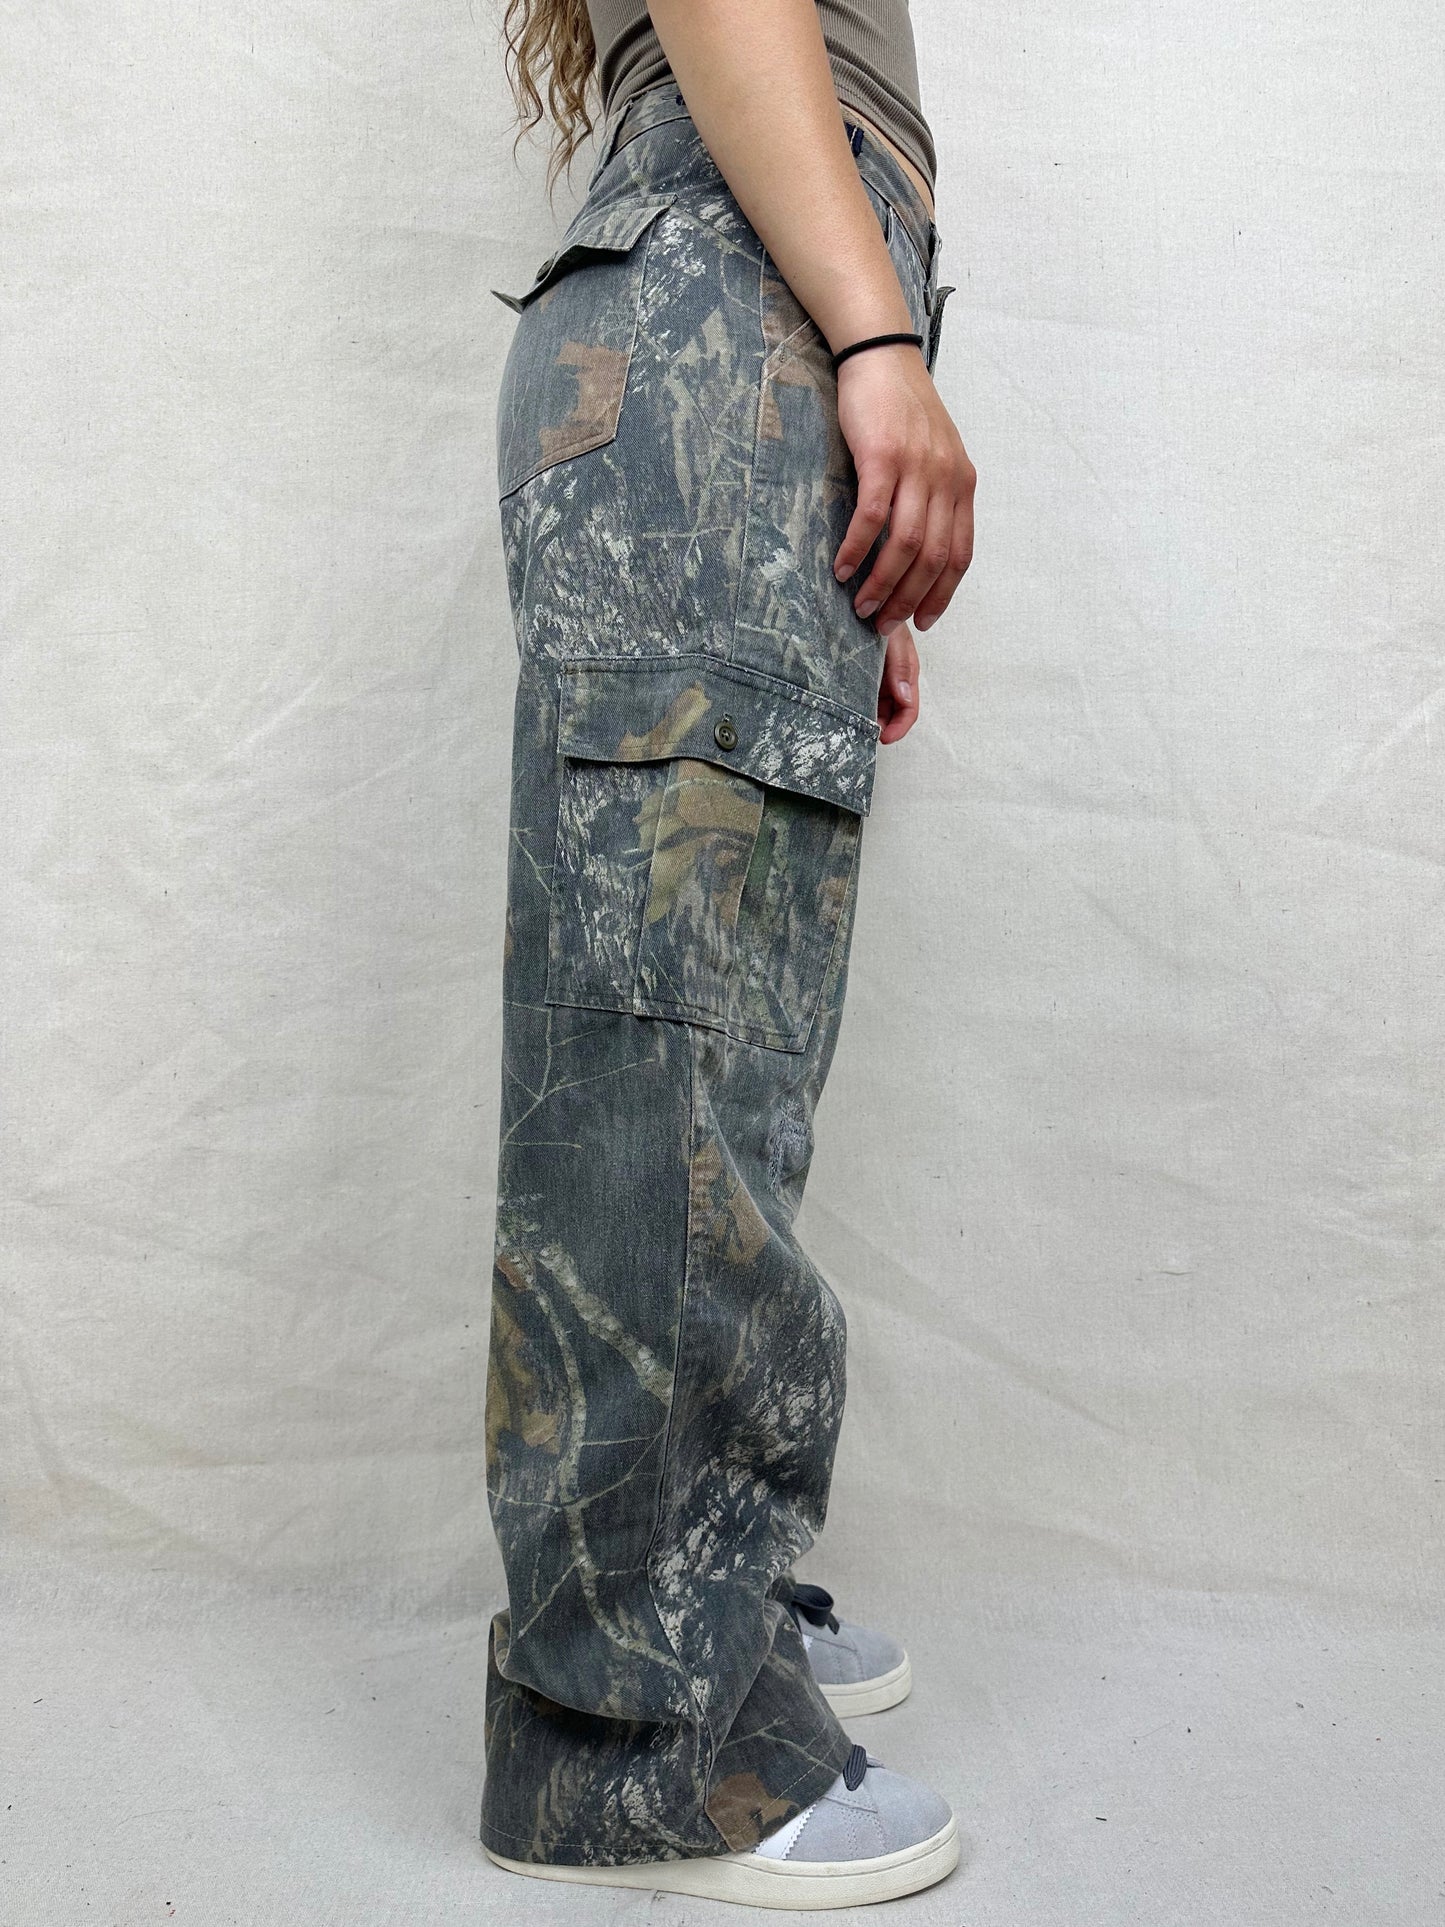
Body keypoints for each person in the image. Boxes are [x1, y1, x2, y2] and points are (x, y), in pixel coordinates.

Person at [478, 0, 975, 1907]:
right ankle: (640, 1749)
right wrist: (874, 347)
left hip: (732, 359)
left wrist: (831, 492)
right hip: (729, 330)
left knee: (720, 1063)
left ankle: (709, 1595)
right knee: (664, 1067)